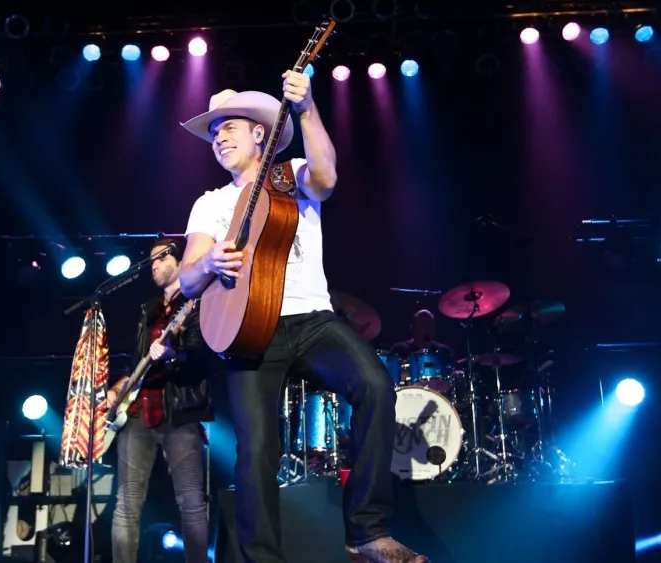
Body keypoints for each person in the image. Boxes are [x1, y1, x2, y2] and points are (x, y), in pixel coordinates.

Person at [177, 73, 429, 562]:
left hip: (311, 318)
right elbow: (187, 280)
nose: (219, 138)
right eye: (213, 133)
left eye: (229, 127)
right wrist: (207, 263)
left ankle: (366, 533)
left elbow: (329, 178)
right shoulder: (209, 204)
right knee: (255, 453)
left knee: (377, 386)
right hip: (248, 334)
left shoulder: (292, 174)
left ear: (259, 133)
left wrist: (308, 108)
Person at [105, 238, 213, 563]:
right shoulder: (147, 310)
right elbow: (136, 363)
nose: (152, 265)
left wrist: (171, 356)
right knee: (126, 504)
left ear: (179, 261)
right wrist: (117, 390)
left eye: (159, 259)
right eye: (150, 260)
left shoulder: (197, 302)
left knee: (192, 503)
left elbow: (202, 355)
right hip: (138, 412)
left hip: (179, 412)